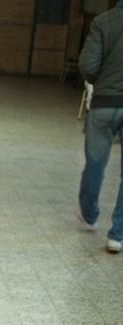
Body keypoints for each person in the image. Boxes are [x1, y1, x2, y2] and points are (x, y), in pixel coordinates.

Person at [77, 0, 123, 254]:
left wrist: (102, 80)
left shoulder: (103, 21)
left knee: (95, 163)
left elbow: (88, 66)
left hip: (104, 103)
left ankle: (90, 215)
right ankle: (117, 235)